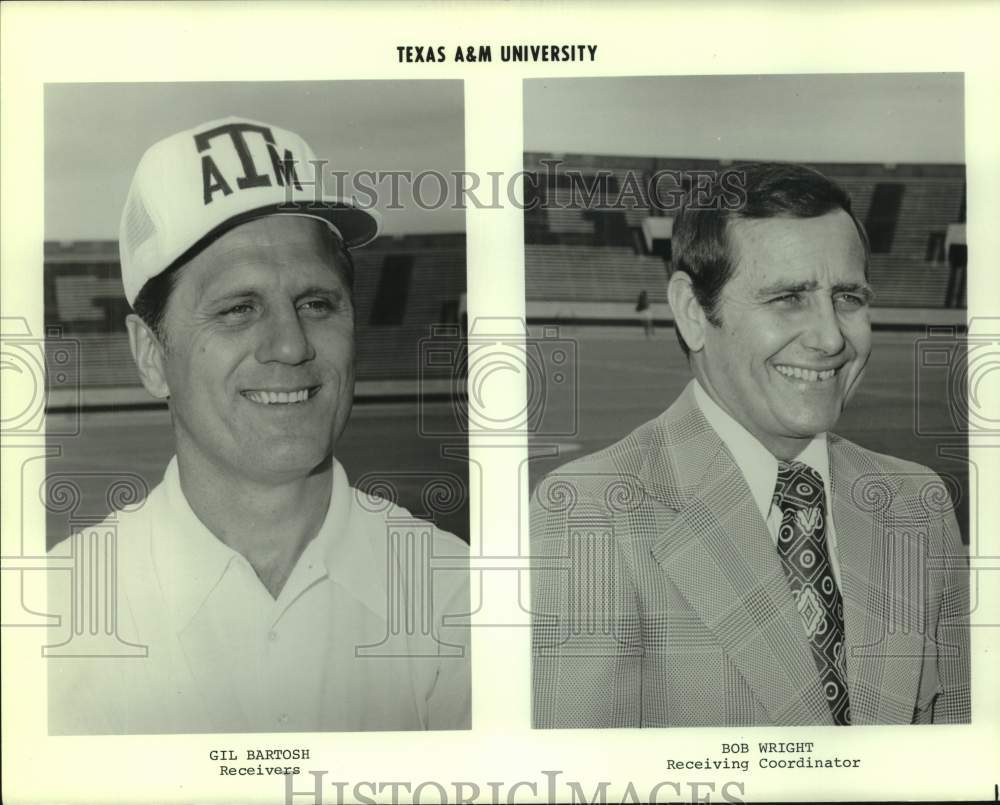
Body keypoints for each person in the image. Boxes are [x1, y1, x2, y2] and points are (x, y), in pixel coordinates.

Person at [47, 117, 470, 734]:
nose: (291, 345)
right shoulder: (53, 616)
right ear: (150, 356)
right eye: (238, 309)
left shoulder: (454, 592)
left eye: (316, 303)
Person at [531, 162, 969, 727]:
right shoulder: (587, 514)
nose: (832, 337)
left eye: (849, 298)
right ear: (693, 312)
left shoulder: (918, 502)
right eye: (788, 297)